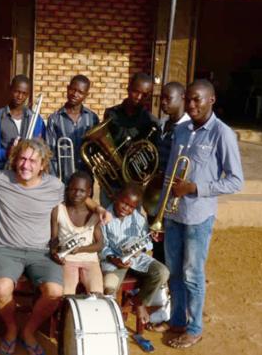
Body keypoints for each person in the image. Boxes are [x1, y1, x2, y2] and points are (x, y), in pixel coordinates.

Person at [0, 139, 108, 355]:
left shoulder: (54, 186)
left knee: (55, 292)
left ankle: (28, 331)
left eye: (32, 161)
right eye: (22, 158)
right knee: (0, 288)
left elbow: (79, 197)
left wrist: (99, 208)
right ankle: (11, 328)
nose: (26, 165)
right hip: (8, 249)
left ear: (43, 165)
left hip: (42, 252)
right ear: (15, 159)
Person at [164, 79, 244, 349]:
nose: (191, 104)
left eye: (197, 99)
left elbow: (235, 181)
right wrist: (162, 207)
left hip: (198, 217)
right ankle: (176, 321)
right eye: (188, 99)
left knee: (192, 274)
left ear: (212, 100)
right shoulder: (182, 129)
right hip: (173, 214)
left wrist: (196, 187)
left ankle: (195, 328)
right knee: (173, 272)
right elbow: (171, 172)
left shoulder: (223, 134)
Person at [100, 183, 169, 331]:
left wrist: (144, 247)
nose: (126, 208)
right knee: (109, 286)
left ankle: (139, 302)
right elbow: (102, 246)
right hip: (114, 261)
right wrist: (113, 258)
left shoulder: (139, 219)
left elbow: (147, 243)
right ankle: (113, 320)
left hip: (136, 259)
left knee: (162, 272)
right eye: (124, 203)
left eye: (131, 207)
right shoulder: (105, 216)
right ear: (116, 197)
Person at [100, 72, 161, 206]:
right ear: (128, 88)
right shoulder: (111, 113)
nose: (139, 97)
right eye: (135, 91)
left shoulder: (151, 122)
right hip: (111, 180)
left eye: (145, 95)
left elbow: (153, 157)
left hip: (134, 183)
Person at [146, 81, 190, 264]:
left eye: (167, 98)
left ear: (182, 98)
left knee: (174, 246)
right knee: (156, 240)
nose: (163, 102)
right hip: (157, 191)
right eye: (161, 98)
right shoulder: (162, 124)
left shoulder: (189, 128)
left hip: (174, 195)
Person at [50, 171, 104, 295]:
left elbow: (100, 244)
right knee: (67, 295)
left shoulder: (95, 215)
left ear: (89, 192)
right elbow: (53, 239)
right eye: (73, 189)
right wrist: (54, 252)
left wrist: (79, 249)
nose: (77, 194)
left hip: (90, 260)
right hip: (67, 260)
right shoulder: (58, 210)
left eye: (82, 191)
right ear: (67, 189)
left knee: (97, 294)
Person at [0, 75, 46, 170]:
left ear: (28, 94)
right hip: (3, 173)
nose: (20, 96)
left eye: (24, 93)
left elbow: (43, 149)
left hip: (28, 174)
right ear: (10, 89)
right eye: (17, 91)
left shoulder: (36, 120)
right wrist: (6, 153)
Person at [46, 74, 100, 184]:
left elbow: (95, 149)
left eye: (80, 92)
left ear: (86, 95)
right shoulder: (54, 119)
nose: (75, 94)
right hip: (62, 179)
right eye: (73, 90)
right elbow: (50, 153)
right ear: (67, 88)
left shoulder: (92, 118)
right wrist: (54, 180)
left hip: (85, 179)